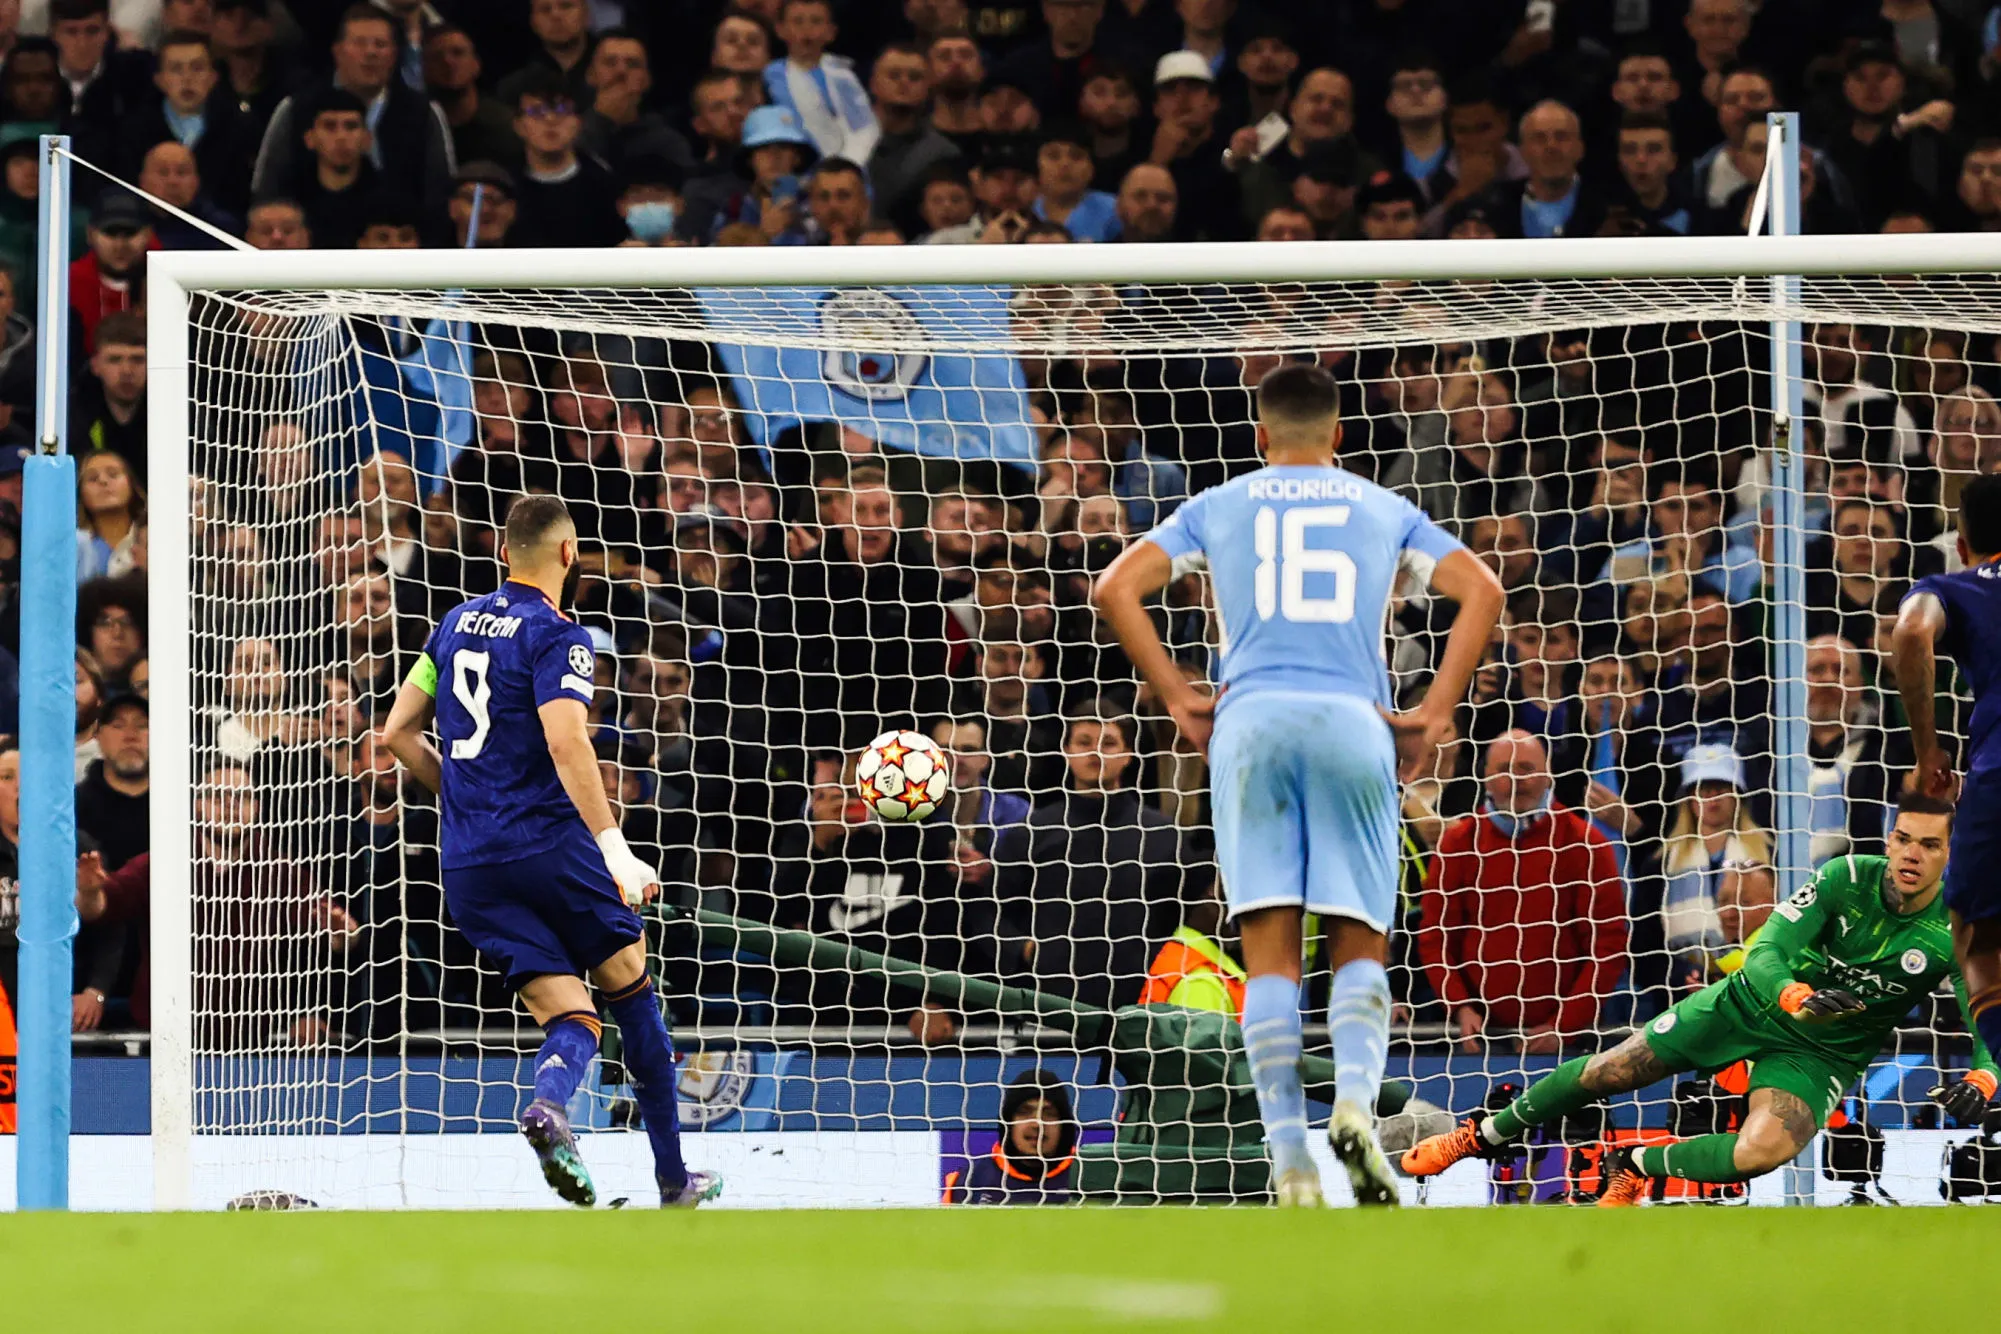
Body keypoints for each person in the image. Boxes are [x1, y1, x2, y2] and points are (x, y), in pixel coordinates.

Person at [1091, 362, 1505, 1207]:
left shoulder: (1220, 503)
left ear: (1259, 435)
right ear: (1339, 435)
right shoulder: (1382, 506)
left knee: (1270, 958)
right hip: (1351, 720)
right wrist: (1431, 713)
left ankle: (1287, 1154)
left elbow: (1113, 587)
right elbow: (1483, 591)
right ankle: (1352, 1107)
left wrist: (1176, 696)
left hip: (1251, 723)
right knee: (1358, 944)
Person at [1402, 791, 1999, 1203]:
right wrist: (1791, 992)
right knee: (1610, 1071)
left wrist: (1984, 1077)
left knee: (1761, 1151)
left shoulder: (1958, 926)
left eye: (1929, 845)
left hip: (1820, 1054)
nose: (1911, 854)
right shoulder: (1845, 877)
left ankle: (1634, 1165)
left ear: (1951, 854)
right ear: (1889, 840)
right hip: (1747, 1005)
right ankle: (1477, 1136)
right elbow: (1767, 951)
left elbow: (1988, 1018)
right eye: (1903, 839)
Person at [381, 493, 721, 1209]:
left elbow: (396, 734)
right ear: (569, 553)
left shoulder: (451, 626)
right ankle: (672, 1178)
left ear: (503, 551)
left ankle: (550, 1107)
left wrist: (464, 798)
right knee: (632, 992)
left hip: (469, 864)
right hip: (547, 846)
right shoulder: (560, 636)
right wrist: (615, 848)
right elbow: (568, 741)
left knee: (572, 1018)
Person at [1891, 473, 2001, 1091]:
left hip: (1997, 772)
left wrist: (1928, 749)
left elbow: (1911, 631)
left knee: (1974, 934)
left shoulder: (1954, 587)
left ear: (1962, 545)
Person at [941, 1069, 1078, 1204]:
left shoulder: (1086, 1175)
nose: (1037, 1124)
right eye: (1025, 1112)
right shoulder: (968, 1183)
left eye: (1049, 1114)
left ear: (1064, 1125)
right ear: (1008, 1122)